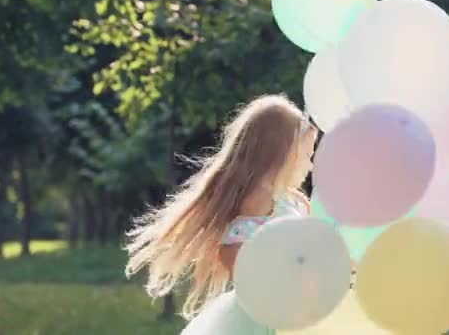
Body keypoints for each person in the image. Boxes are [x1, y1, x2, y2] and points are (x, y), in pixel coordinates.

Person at [124, 94, 318, 334]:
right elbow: (232, 246)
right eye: (307, 156)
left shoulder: (292, 200)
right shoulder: (260, 199)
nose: (310, 166)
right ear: (284, 151)